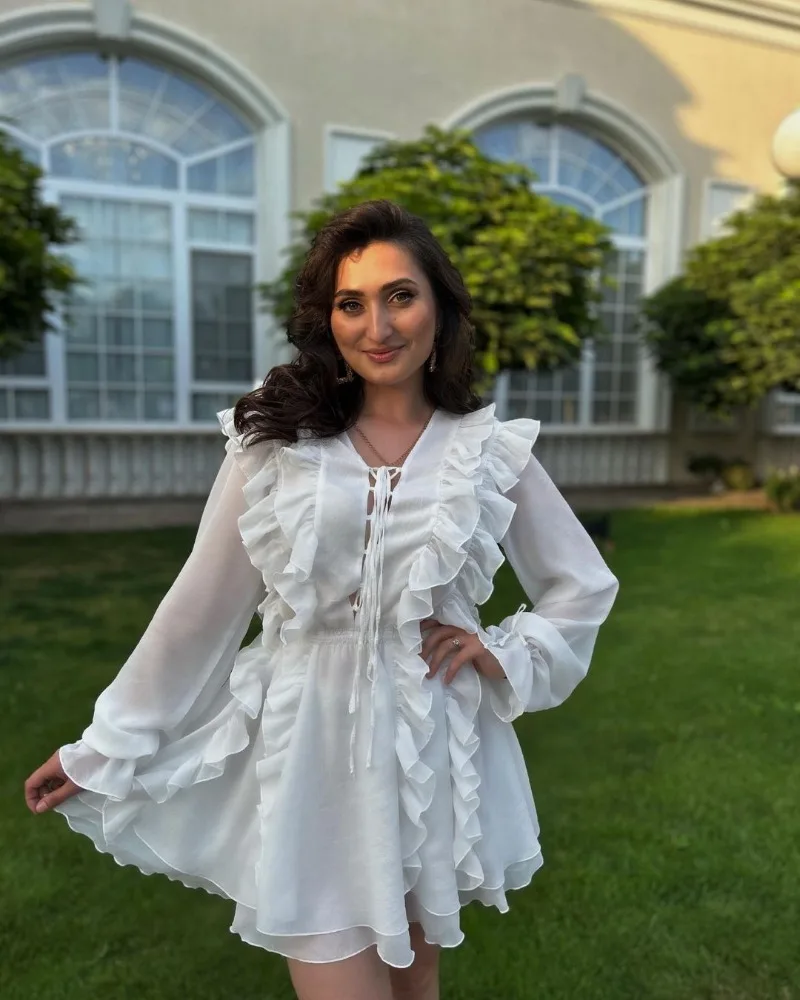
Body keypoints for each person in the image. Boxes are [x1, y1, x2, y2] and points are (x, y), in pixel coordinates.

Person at [24, 199, 619, 1000]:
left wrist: (500, 649)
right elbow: (201, 607)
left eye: (400, 296)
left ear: (440, 308)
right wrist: (105, 746)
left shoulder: (486, 450)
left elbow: (583, 583)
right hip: (305, 752)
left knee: (415, 982)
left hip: (432, 752)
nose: (379, 325)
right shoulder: (277, 445)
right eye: (351, 303)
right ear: (327, 320)